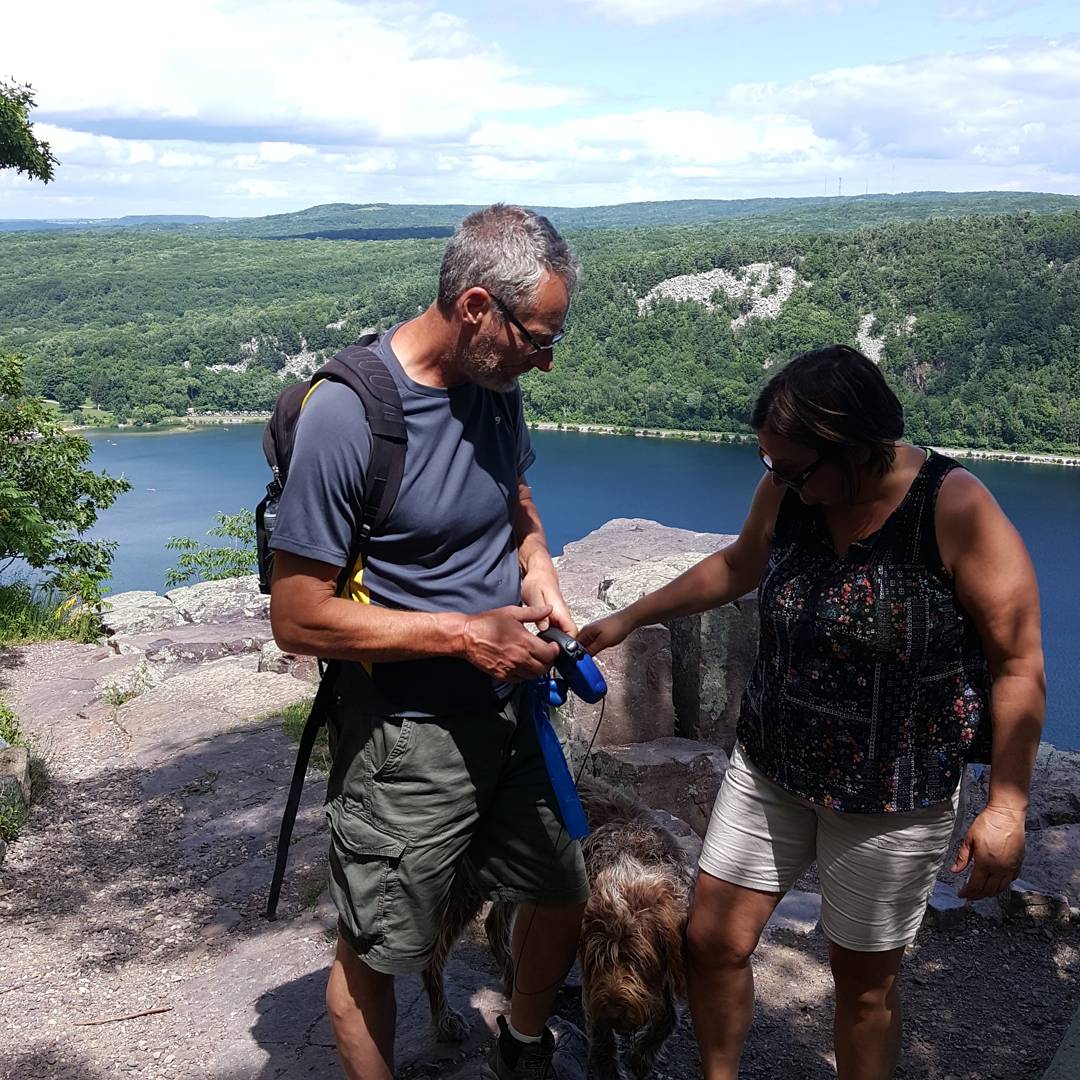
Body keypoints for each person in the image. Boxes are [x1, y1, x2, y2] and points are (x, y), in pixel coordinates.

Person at [579, 344, 1045, 1080]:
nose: (781, 482)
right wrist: (628, 619)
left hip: (888, 796)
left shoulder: (953, 509)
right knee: (710, 942)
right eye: (772, 465)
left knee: (863, 989)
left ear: (857, 451)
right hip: (771, 765)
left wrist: (1007, 808)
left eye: (794, 467)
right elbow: (740, 563)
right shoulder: (792, 489)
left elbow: (1019, 664)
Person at [269, 204, 589, 1080]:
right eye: (537, 336)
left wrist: (541, 575)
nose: (545, 359)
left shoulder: (494, 383)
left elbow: (515, 501)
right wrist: (461, 636)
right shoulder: (350, 416)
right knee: (381, 952)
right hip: (409, 736)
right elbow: (297, 617)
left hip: (511, 712)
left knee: (562, 895)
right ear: (477, 306)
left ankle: (521, 1041)